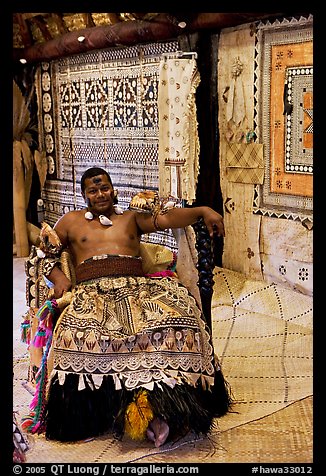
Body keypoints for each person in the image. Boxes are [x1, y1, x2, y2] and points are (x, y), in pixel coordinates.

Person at [23, 167, 231, 447]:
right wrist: (59, 278)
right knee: (82, 333)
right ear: (84, 194)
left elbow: (168, 219)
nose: (100, 194)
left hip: (139, 289)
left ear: (113, 189)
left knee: (178, 316)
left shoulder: (131, 216)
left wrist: (203, 210)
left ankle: (167, 406)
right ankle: (96, 412)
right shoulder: (70, 221)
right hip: (92, 293)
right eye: (93, 190)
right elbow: (43, 253)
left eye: (105, 188)